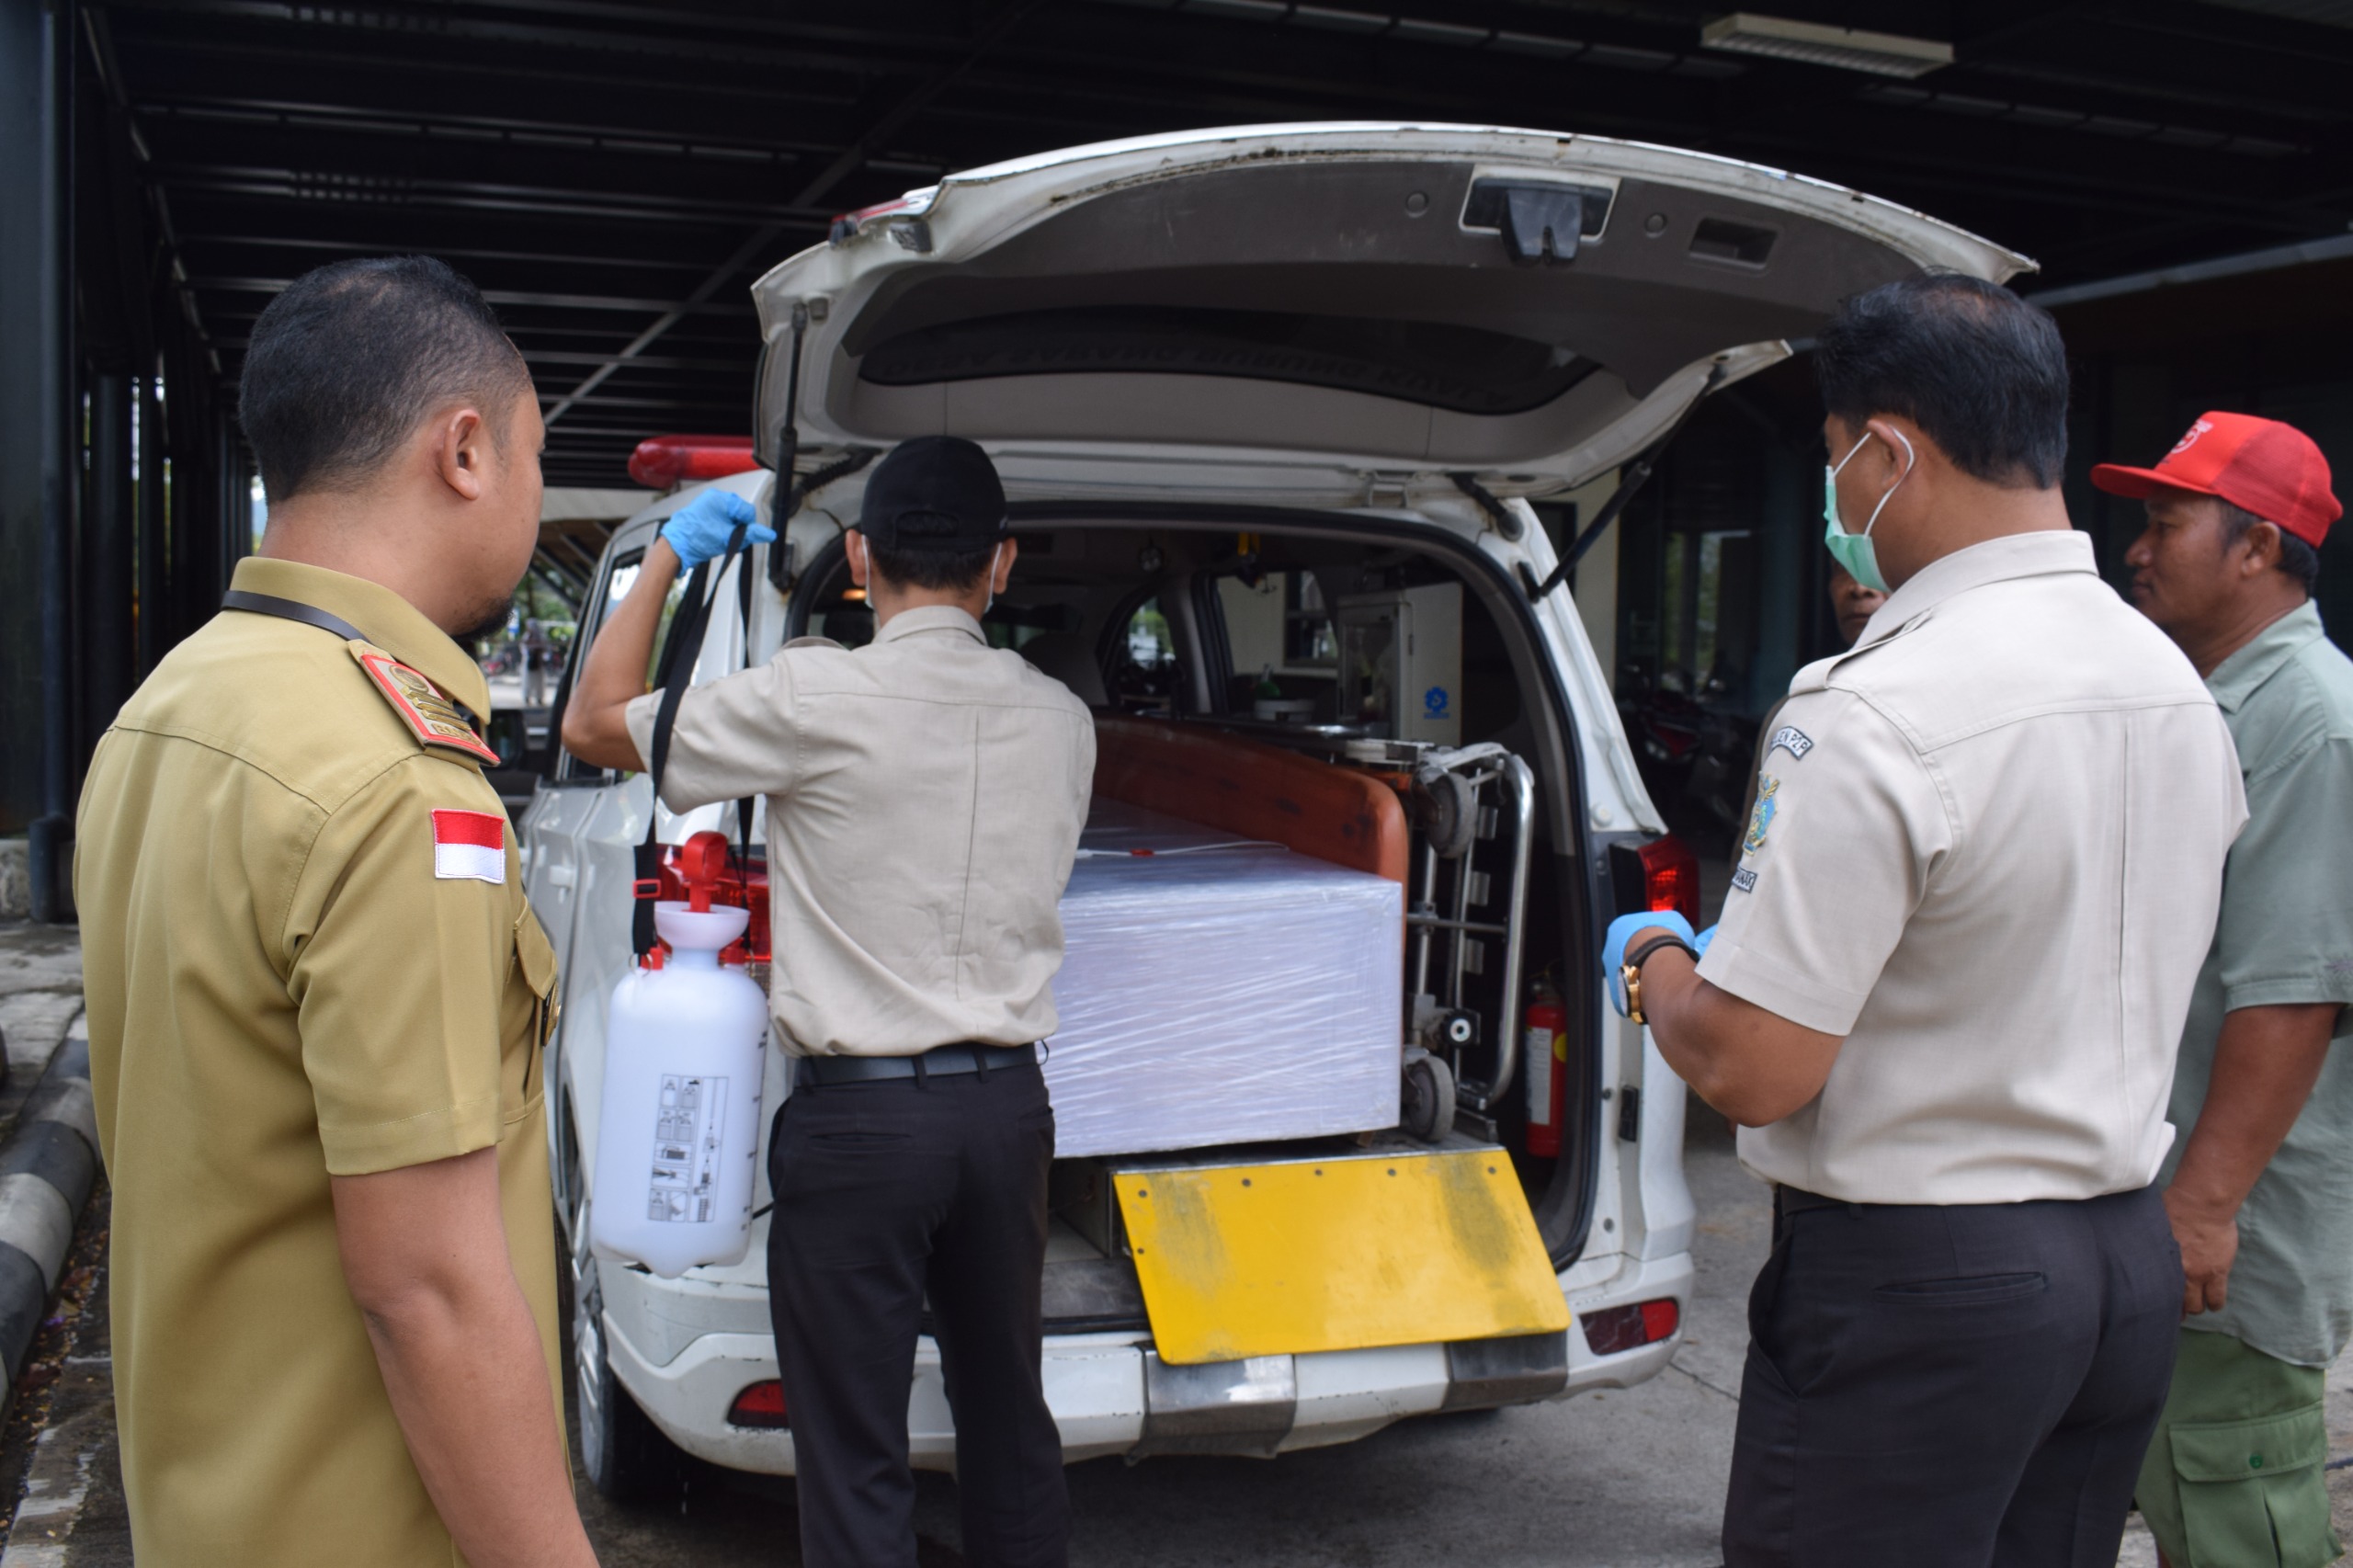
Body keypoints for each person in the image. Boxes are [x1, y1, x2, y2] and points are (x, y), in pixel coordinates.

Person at [1600, 275, 2246, 1567]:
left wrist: (1659, 961)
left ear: (1891, 451)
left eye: (1841, 466)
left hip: (1926, 1285)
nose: (1840, 508)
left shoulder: (1876, 703)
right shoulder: (2166, 682)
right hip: (2119, 1259)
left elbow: (1754, 1065)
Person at [74, 257, 594, 1567]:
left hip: (210, 1504)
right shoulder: (397, 783)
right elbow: (425, 1285)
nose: (537, 495)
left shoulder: (171, 706)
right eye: (536, 455)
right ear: (463, 451)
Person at [563, 436, 1094, 1568]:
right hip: (1010, 1116)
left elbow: (592, 722)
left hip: (862, 1130)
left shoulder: (808, 695)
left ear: (859, 555)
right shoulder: (1062, 717)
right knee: (1010, 1426)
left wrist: (666, 556)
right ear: (1000, 566)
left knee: (853, 1457)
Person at [2097, 413, 2351, 1568]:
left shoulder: (2314, 724)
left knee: (2234, 1508)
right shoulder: (2213, 700)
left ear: (2256, 548)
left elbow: (2294, 992)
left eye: (2165, 522)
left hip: (2229, 1230)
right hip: (2156, 1197)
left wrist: (2202, 1204)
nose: (2137, 548)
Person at [1732, 561, 1886, 869]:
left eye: (1876, 570)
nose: (1858, 588)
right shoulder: (1794, 708)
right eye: (1843, 571)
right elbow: (1751, 846)